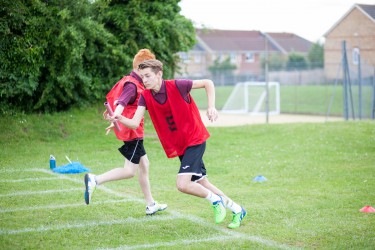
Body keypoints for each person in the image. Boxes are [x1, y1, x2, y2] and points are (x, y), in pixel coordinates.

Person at [107, 59, 246, 229]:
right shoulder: (145, 96)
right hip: (181, 146)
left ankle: (215, 200)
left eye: (148, 76)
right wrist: (119, 118)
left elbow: (208, 83)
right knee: (203, 183)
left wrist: (211, 107)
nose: (145, 80)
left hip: (194, 139)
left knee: (182, 184)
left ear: (159, 74)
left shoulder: (178, 85)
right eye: (142, 77)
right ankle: (238, 209)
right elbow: (135, 123)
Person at [84, 50, 167, 216]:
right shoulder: (132, 84)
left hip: (132, 131)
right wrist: (117, 115)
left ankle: (150, 204)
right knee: (129, 171)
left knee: (145, 165)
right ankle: (95, 180)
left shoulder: (130, 80)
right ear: (139, 67)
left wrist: (115, 119)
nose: (147, 76)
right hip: (133, 133)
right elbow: (121, 101)